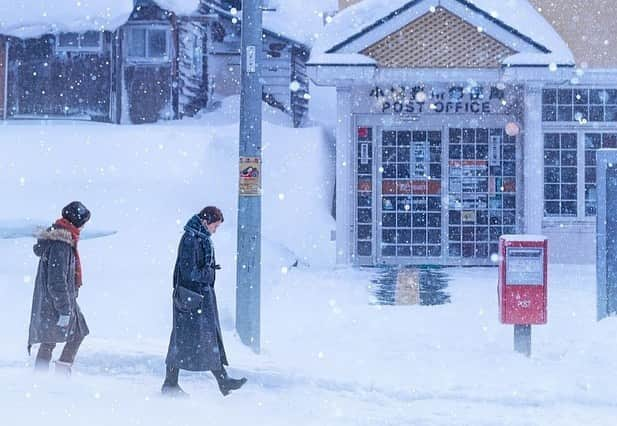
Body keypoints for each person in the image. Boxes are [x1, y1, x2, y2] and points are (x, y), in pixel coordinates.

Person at [162, 206, 247, 397]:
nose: (215, 231)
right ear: (205, 222)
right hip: (191, 300)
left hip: (197, 298)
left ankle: (220, 380)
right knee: (190, 340)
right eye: (215, 226)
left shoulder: (199, 238)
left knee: (196, 340)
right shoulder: (191, 240)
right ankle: (172, 383)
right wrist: (208, 272)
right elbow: (189, 271)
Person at [28, 201, 91, 375]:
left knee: (55, 338)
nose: (84, 226)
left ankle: (43, 377)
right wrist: (64, 309)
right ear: (77, 222)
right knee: (72, 334)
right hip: (56, 301)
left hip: (58, 298)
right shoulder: (61, 245)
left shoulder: (62, 238)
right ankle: (56, 375)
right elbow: (56, 282)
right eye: (84, 222)